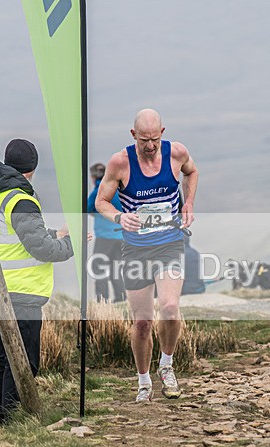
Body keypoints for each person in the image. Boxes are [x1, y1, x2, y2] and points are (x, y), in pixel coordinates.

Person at [96, 109, 199, 402]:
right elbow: (102, 201)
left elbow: (192, 171)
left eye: (155, 139)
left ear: (162, 133)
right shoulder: (120, 162)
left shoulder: (176, 153)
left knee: (170, 307)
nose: (150, 146)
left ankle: (166, 365)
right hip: (136, 250)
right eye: (144, 140)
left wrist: (188, 203)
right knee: (142, 323)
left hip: (169, 243)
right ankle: (143, 381)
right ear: (133, 135)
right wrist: (119, 217)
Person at [0, 138, 74, 424]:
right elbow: (41, 249)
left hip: (1, 289)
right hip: (22, 291)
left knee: (5, 356)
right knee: (24, 360)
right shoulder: (21, 200)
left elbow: (18, 236)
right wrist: (69, 244)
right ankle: (11, 418)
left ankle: (2, 414)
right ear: (32, 168)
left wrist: (55, 234)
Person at [87, 162, 126, 302]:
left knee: (99, 268)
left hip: (104, 237)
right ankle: (121, 298)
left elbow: (87, 209)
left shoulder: (98, 191)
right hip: (120, 236)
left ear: (93, 177)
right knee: (115, 268)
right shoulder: (118, 191)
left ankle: (102, 300)